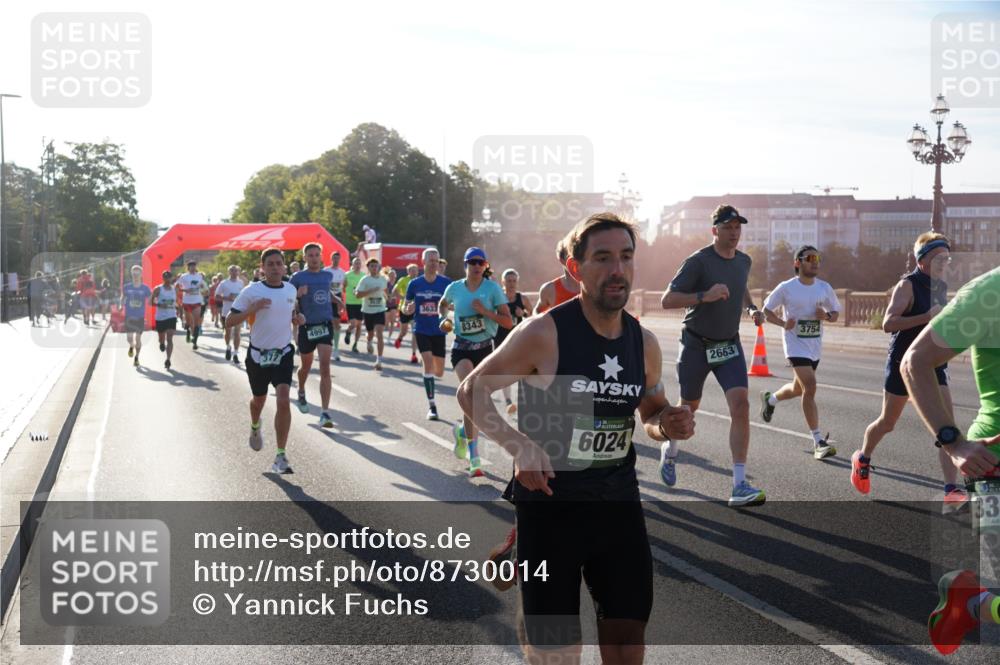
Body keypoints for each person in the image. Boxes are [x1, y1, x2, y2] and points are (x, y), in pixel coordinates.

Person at [456, 212, 695, 662]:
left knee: (627, 643)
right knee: (556, 654)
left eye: (626, 257)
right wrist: (519, 446)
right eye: (602, 258)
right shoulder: (544, 332)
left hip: (618, 510)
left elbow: (650, 413)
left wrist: (668, 424)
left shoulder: (643, 343)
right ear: (575, 269)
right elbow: (472, 390)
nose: (617, 269)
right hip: (551, 515)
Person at [897, 265, 1000, 655]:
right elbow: (915, 361)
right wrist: (952, 442)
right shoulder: (991, 292)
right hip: (994, 464)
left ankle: (971, 603)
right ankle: (971, 602)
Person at [660, 204, 767, 506]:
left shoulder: (743, 261)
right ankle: (670, 452)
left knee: (741, 405)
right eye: (728, 227)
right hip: (696, 344)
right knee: (688, 409)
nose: (734, 233)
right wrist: (703, 296)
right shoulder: (698, 262)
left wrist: (751, 309)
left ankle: (739, 484)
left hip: (728, 344)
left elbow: (742, 287)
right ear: (714, 230)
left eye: (738, 227)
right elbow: (668, 299)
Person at [850, 233, 965, 506]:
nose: (944, 262)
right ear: (922, 258)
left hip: (933, 363)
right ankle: (862, 458)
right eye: (939, 257)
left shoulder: (941, 285)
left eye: (947, 257)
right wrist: (927, 316)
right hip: (903, 364)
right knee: (887, 422)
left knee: (947, 428)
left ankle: (952, 489)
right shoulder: (907, 285)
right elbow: (888, 323)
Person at [225, 248, 304, 474]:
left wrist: (298, 318)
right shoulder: (252, 291)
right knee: (258, 400)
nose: (275, 267)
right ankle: (255, 425)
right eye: (270, 264)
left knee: (282, 399)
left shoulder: (290, 289)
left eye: (279, 263)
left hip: (283, 353)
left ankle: (280, 456)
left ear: (284, 266)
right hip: (258, 355)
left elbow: (292, 314)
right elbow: (229, 321)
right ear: (262, 268)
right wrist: (253, 308)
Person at [760, 245, 840, 459]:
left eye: (818, 258)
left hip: (814, 345)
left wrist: (827, 316)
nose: (815, 262)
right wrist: (782, 323)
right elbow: (766, 310)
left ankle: (771, 400)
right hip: (795, 345)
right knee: (810, 386)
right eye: (810, 258)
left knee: (798, 389)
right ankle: (818, 442)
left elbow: (835, 313)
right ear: (798, 262)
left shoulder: (823, 287)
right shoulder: (787, 287)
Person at [441, 247, 513, 477]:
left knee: (477, 400)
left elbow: (508, 322)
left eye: (480, 262)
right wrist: (444, 318)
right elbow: (443, 303)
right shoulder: (454, 288)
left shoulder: (492, 289)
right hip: (461, 347)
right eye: (471, 262)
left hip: (484, 349)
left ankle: (462, 432)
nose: (476, 266)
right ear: (465, 265)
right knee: (471, 395)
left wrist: (485, 312)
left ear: (485, 265)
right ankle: (475, 458)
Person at [290, 243, 336, 427]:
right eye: (310, 255)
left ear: (321, 256)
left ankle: (325, 412)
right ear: (305, 257)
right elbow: (287, 298)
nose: (314, 258)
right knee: (306, 367)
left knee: (325, 367)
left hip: (325, 324)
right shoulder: (298, 277)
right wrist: (297, 296)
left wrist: (337, 299)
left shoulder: (327, 275)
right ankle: (301, 389)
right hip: (307, 326)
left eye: (317, 254)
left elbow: (325, 291)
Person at [404, 249, 452, 420]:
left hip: (439, 330)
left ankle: (429, 376)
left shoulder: (446, 283)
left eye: (436, 260)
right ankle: (432, 406)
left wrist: (451, 308)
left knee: (439, 372)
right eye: (430, 260)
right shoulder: (415, 284)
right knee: (428, 362)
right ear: (423, 262)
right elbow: (406, 305)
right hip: (421, 328)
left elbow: (453, 303)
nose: (433, 263)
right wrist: (407, 308)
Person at [495, 268, 532, 415]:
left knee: (522, 369)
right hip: (501, 338)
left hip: (518, 338)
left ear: (517, 282)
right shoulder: (498, 298)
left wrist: (522, 313)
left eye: (514, 281)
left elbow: (533, 314)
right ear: (503, 282)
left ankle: (523, 399)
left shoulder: (522, 298)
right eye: (508, 281)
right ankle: (509, 401)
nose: (511, 284)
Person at [355, 258, 389, 370]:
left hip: (380, 310)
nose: (374, 268)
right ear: (368, 267)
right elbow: (358, 295)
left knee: (379, 334)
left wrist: (387, 297)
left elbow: (384, 291)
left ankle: (379, 361)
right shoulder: (365, 280)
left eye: (376, 266)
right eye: (372, 266)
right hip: (368, 311)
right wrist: (371, 291)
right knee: (370, 333)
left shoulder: (383, 279)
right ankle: (369, 341)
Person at [533, 239, 580, 315]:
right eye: (570, 257)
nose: (574, 261)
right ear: (561, 260)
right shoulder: (549, 289)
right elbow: (537, 312)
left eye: (577, 256)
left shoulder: (592, 285)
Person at [216, 265, 244, 364]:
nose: (234, 272)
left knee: (237, 333)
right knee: (228, 333)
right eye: (232, 271)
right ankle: (228, 347)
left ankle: (236, 354)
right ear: (229, 272)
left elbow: (244, 296)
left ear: (238, 272)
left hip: (239, 311)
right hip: (226, 311)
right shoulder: (224, 283)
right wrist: (227, 298)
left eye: (236, 271)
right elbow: (217, 297)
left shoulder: (241, 283)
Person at [177, 260, 207, 349]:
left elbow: (202, 286)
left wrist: (202, 289)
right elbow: (177, 287)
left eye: (194, 265)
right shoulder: (184, 276)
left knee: (196, 321)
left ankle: (195, 341)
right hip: (187, 302)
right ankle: (189, 332)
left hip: (197, 301)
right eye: (191, 266)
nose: (193, 267)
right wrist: (185, 290)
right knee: (189, 322)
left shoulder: (199, 276)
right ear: (188, 267)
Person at [393, 263, 420, 362]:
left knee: (415, 332)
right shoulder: (403, 280)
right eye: (411, 270)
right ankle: (400, 338)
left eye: (415, 270)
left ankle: (414, 354)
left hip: (416, 309)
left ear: (417, 271)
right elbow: (394, 291)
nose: (413, 271)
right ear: (408, 271)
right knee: (404, 331)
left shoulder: (420, 281)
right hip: (404, 309)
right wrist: (403, 298)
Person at [152, 271, 178, 370]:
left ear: (171, 278)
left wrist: (179, 309)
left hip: (172, 315)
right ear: (163, 278)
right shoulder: (158, 289)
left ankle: (168, 359)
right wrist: (159, 305)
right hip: (160, 317)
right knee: (161, 338)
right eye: (165, 277)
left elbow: (176, 301)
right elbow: (150, 302)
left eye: (169, 277)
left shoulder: (174, 289)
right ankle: (162, 343)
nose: (167, 279)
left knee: (170, 338)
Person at [323, 250, 346, 362]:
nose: (336, 260)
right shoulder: (326, 271)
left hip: (337, 298)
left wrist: (342, 302)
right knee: (327, 323)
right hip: (326, 299)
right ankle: (325, 346)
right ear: (331, 259)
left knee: (337, 324)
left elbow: (343, 287)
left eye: (338, 258)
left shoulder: (342, 272)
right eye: (334, 258)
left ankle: (336, 349)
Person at [343, 257, 365, 353]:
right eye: (356, 263)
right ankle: (348, 331)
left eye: (359, 263)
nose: (358, 265)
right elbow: (343, 288)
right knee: (353, 324)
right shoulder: (347, 275)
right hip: (350, 303)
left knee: (359, 325)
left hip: (361, 303)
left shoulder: (364, 276)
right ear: (352, 264)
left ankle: (355, 344)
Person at [383, 267, 399, 338]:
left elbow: (398, 294)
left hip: (393, 305)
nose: (392, 277)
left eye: (393, 275)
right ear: (388, 276)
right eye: (390, 275)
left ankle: (389, 337)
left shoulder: (397, 284)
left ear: (395, 276)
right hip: (386, 305)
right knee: (386, 323)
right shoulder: (386, 284)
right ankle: (382, 335)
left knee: (392, 321)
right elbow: (384, 293)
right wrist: (388, 297)